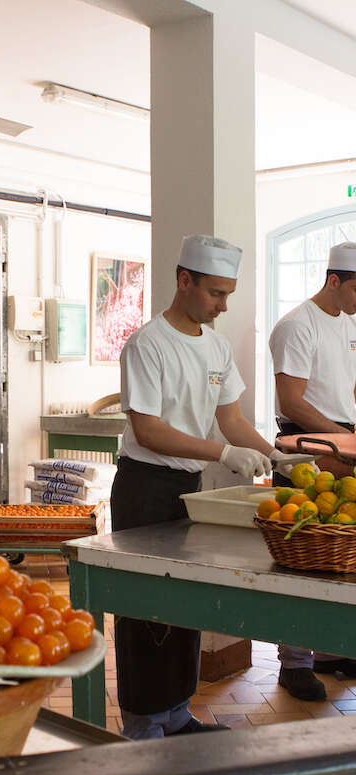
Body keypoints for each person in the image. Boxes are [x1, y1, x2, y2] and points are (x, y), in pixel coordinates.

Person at [113, 234, 288, 740]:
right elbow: (148, 429)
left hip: (188, 489)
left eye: (228, 294)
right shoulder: (148, 344)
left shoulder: (215, 346)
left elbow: (230, 418)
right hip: (144, 487)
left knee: (182, 600)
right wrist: (223, 454)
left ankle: (176, 713)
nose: (223, 305)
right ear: (183, 280)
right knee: (145, 605)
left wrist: (279, 458)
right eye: (215, 293)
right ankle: (143, 725)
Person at [269, 241, 356, 701]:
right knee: (298, 561)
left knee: (338, 556)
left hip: (342, 447)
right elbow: (293, 402)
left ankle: (328, 650)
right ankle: (294, 662)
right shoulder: (296, 326)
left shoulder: (347, 323)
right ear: (334, 280)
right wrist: (339, 439)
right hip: (304, 449)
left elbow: (348, 384)